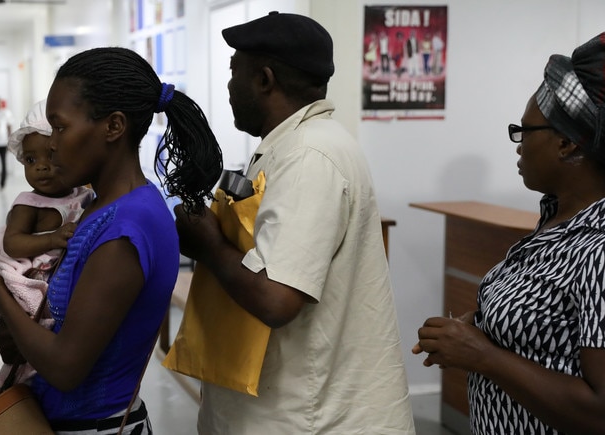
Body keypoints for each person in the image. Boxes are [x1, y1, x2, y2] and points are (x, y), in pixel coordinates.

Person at [174, 12, 415, 433]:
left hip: (309, 418)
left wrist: (209, 246)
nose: (228, 86)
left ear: (264, 80)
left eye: (234, 73)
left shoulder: (310, 156)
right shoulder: (292, 146)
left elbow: (276, 299)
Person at [0, 46, 222, 433]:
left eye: (61, 128)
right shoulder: (97, 206)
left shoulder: (127, 228)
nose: (50, 144)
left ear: (113, 127)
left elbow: (67, 367)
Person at [414, 33, 605, 434]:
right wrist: (481, 328)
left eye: (525, 130)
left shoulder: (599, 249)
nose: (518, 145)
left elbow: (599, 411)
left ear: (567, 144)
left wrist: (481, 354)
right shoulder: (555, 223)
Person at [0, 99, 93, 401]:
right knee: (26, 348)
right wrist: (52, 238)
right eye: (31, 161)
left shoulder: (81, 194)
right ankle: (13, 393)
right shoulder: (29, 203)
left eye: (50, 157)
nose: (41, 167)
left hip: (60, 281)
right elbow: (13, 243)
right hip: (31, 276)